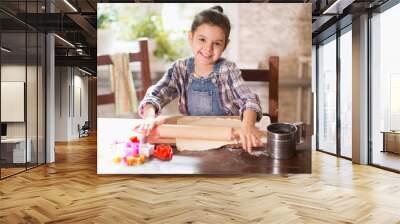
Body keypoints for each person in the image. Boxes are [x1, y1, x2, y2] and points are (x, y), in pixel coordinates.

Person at [137, 6, 263, 152]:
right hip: (193, 135)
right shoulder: (180, 68)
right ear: (190, 38)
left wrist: (247, 127)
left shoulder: (228, 70)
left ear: (225, 45)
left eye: (216, 43)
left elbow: (249, 100)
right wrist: (149, 117)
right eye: (202, 39)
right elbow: (156, 95)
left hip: (228, 139)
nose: (208, 49)